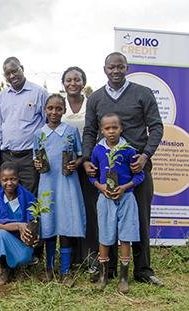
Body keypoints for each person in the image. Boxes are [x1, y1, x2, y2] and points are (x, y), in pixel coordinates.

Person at [82, 52, 164, 286]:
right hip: (106, 172)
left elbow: (156, 127)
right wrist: (87, 159)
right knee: (107, 221)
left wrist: (145, 155)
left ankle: (142, 271)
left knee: (139, 219)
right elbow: (89, 131)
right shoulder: (96, 98)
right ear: (104, 69)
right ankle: (108, 271)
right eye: (111, 67)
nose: (115, 71)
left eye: (120, 67)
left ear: (127, 67)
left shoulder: (143, 93)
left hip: (136, 171)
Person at [33, 94, 86, 286]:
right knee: (48, 225)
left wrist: (76, 163)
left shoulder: (71, 131)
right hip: (47, 184)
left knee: (64, 225)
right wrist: (37, 164)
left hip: (67, 184)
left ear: (64, 110)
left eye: (58, 108)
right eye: (50, 108)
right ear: (45, 110)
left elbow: (80, 156)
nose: (54, 112)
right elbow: (36, 158)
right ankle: (48, 269)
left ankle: (65, 271)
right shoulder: (39, 134)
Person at [90, 113, 143, 293]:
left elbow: (140, 175)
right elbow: (93, 176)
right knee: (104, 236)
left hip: (126, 197)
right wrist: (100, 186)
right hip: (105, 198)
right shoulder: (98, 150)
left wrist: (125, 187)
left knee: (126, 236)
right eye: (107, 128)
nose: (111, 131)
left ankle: (123, 278)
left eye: (115, 128)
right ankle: (104, 276)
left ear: (121, 129)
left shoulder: (128, 150)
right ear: (101, 130)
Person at [0, 56, 48, 194]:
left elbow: (48, 124)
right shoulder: (2, 96)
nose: (12, 76)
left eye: (15, 71)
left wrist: (41, 154)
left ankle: (31, 217)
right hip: (7, 156)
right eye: (8, 74)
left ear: (22, 68)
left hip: (30, 157)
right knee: (10, 196)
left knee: (30, 196)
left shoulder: (39, 93)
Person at [61, 67, 99, 275]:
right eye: (68, 79)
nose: (73, 83)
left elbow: (94, 132)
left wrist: (83, 159)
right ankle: (74, 256)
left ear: (84, 82)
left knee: (90, 210)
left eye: (77, 79)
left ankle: (91, 255)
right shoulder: (58, 104)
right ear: (63, 83)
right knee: (71, 208)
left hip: (89, 164)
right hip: (66, 166)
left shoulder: (91, 103)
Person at [0, 162, 36, 285]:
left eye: (13, 179)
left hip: (20, 240)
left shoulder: (28, 197)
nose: (9, 183)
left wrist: (32, 235)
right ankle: (4, 268)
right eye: (5, 180)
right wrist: (18, 225)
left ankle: (19, 267)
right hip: (3, 237)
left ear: (18, 178)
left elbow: (32, 223)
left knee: (24, 256)